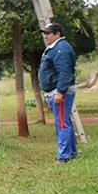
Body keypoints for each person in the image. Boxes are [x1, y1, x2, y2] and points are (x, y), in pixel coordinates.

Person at [37, 22, 78, 163]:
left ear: (57, 34)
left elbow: (65, 73)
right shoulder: (55, 48)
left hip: (60, 91)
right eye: (44, 33)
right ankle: (71, 153)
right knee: (64, 121)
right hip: (55, 91)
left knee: (61, 123)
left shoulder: (61, 49)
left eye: (48, 33)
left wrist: (60, 92)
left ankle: (64, 156)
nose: (45, 36)